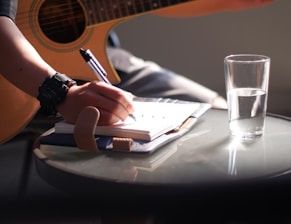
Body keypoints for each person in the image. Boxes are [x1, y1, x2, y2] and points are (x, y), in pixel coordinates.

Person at [0, 0, 273, 140]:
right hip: (27, 85)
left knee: (218, 115)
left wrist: (224, 3)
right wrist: (61, 94)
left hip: (99, 59)